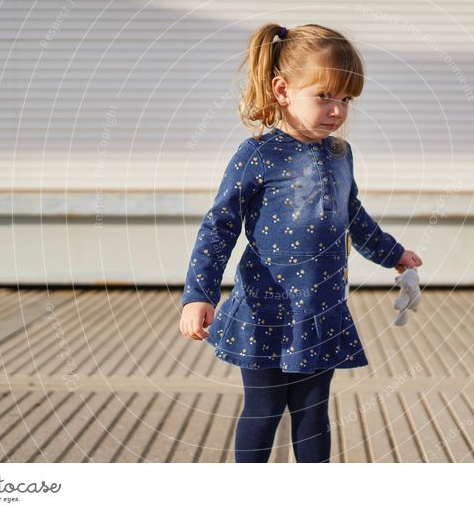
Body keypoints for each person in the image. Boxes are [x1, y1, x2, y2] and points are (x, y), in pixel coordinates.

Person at [179, 23, 423, 463]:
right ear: (283, 90)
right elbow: (219, 228)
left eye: (346, 99)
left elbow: (354, 217)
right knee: (264, 409)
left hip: (320, 310)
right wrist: (199, 295)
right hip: (265, 309)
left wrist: (393, 254)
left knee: (313, 414)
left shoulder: (339, 155)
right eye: (324, 96)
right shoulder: (256, 155)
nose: (337, 110)